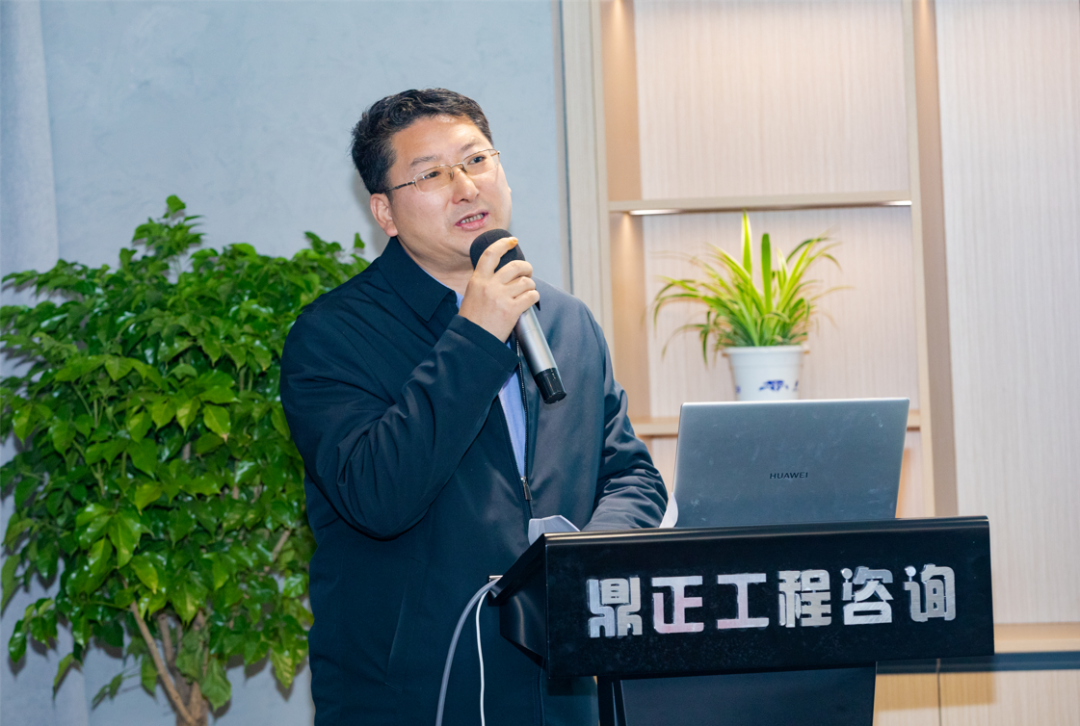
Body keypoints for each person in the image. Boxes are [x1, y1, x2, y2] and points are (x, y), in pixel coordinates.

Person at [280, 88, 667, 726]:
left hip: (561, 685)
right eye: (431, 174)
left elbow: (629, 473)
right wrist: (477, 336)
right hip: (415, 696)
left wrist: (585, 564)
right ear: (384, 211)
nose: (465, 187)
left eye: (476, 160)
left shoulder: (565, 320)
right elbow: (378, 497)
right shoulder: (332, 336)